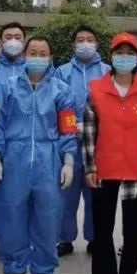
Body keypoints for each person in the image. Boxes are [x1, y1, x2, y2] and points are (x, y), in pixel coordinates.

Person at [0, 36, 77, 274]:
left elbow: (68, 128)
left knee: (47, 219)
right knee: (11, 217)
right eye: (33, 53)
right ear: (24, 56)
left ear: (50, 58)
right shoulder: (6, 87)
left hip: (48, 160)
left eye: (43, 53)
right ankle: (13, 273)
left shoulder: (62, 91)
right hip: (13, 159)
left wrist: (68, 161)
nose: (38, 58)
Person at [83, 32, 137, 274]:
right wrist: (90, 167)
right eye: (119, 53)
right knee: (102, 227)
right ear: (111, 56)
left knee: (134, 229)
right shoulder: (96, 88)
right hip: (104, 168)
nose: (124, 58)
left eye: (129, 53)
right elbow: (89, 132)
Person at [53, 25, 109, 257]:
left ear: (97, 43)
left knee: (96, 193)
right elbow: (55, 103)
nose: (85, 43)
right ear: (74, 44)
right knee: (67, 192)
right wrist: (71, 126)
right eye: (80, 39)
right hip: (69, 141)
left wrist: (92, 126)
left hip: (99, 142)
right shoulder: (62, 72)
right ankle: (64, 239)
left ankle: (95, 238)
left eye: (89, 39)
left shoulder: (108, 71)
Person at [0, 21, 28, 259]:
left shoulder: (32, 69)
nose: (13, 41)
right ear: (1, 40)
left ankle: (22, 235)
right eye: (8, 36)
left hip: (25, 139)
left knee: (23, 190)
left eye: (18, 37)